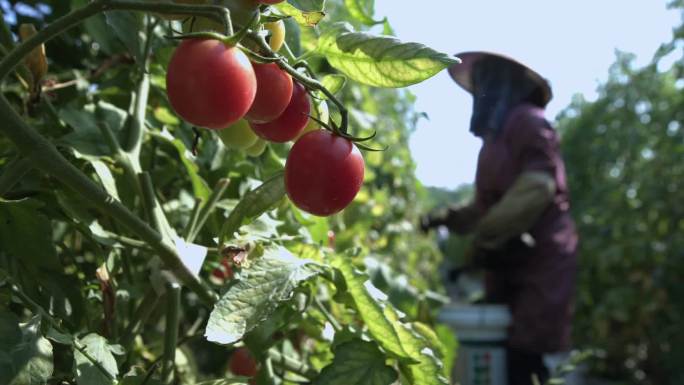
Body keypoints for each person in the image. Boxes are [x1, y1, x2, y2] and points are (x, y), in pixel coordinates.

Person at [421, 52, 578, 385]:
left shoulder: (529, 121)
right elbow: (483, 207)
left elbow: (538, 187)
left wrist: (485, 236)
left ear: (506, 83)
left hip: (541, 259)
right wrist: (445, 218)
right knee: (501, 355)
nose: (482, 92)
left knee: (525, 356)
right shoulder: (491, 144)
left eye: (487, 81)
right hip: (509, 262)